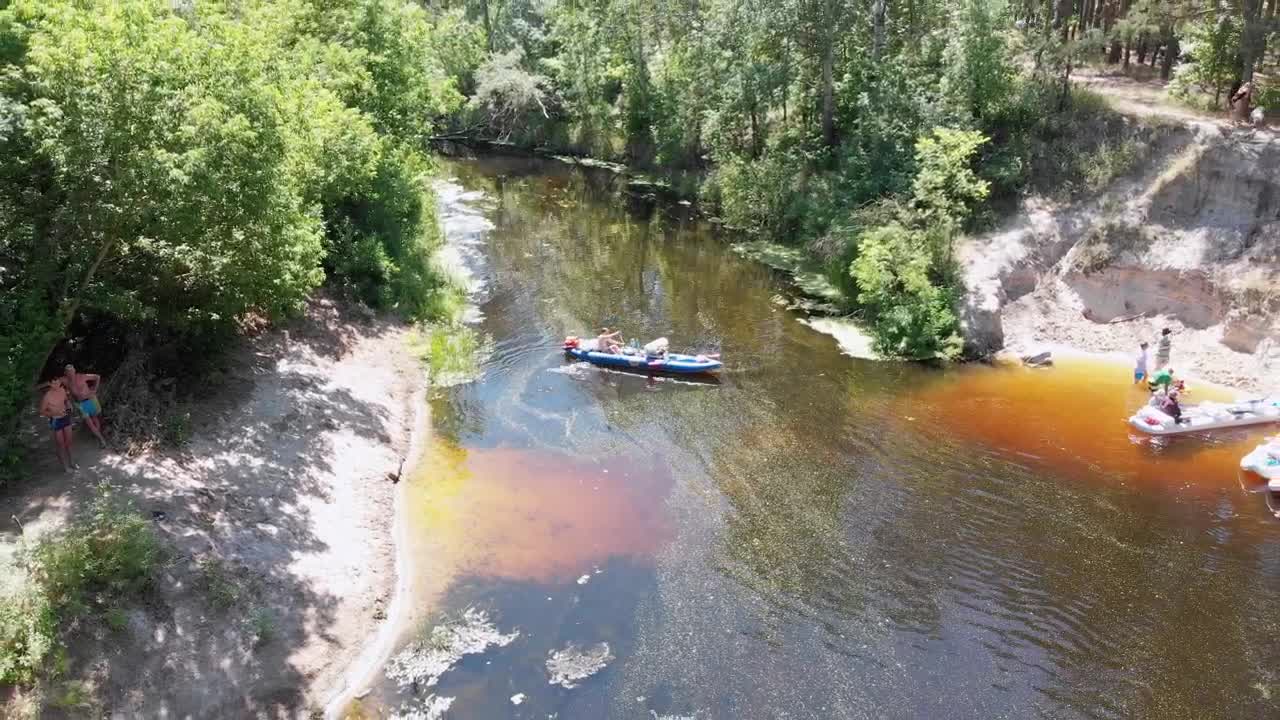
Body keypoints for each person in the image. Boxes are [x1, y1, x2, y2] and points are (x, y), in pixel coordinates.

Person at [64, 364, 106, 448]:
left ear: (74, 371)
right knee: (89, 423)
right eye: (68, 372)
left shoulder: (82, 376)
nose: (71, 373)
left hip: (91, 400)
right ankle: (101, 440)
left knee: (95, 419)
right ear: (66, 373)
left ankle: (97, 434)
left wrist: (95, 389)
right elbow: (68, 393)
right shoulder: (66, 382)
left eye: (72, 371)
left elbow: (97, 377)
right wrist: (69, 401)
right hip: (80, 404)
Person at [38, 378, 76, 472]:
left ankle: (72, 462)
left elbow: (66, 400)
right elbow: (42, 411)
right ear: (50, 384)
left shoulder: (62, 390)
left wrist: (69, 405)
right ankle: (65, 467)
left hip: (65, 417)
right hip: (56, 420)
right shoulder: (47, 396)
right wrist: (54, 413)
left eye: (57, 382)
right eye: (53, 382)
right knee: (61, 445)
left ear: (60, 382)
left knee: (69, 442)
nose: (56, 384)